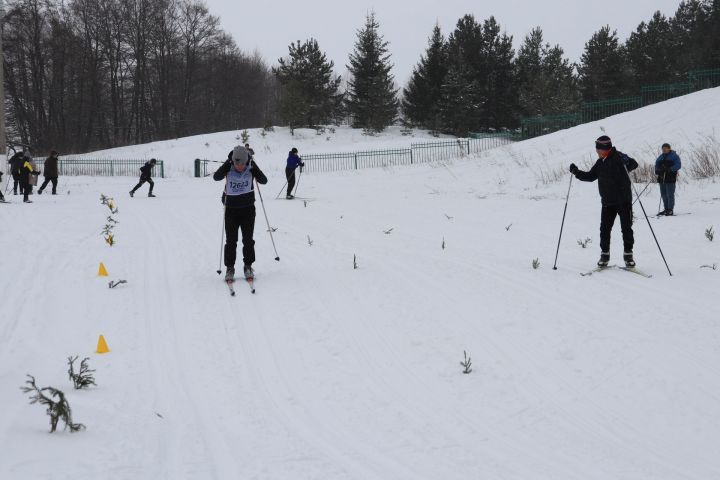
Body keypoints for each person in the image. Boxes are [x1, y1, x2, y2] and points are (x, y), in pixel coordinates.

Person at [569, 135, 639, 267]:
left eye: (598, 149)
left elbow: (634, 164)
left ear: (605, 149)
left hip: (624, 200)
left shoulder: (619, 158)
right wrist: (576, 172)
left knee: (626, 228)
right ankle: (604, 255)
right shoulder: (600, 163)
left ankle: (628, 256)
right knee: (605, 229)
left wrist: (627, 160)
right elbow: (590, 176)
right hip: (608, 202)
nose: (597, 152)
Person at [213, 145, 268, 281]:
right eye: (237, 164)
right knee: (231, 241)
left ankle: (248, 266)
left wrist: (253, 165)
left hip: (248, 210)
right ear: (233, 161)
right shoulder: (229, 165)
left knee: (248, 240)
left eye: (242, 164)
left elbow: (264, 180)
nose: (240, 167)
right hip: (231, 210)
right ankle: (230, 268)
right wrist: (227, 164)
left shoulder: (250, 165)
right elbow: (216, 177)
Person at [654, 143, 681, 216]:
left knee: (670, 194)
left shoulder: (674, 156)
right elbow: (656, 165)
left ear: (669, 148)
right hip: (662, 178)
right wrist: (657, 170)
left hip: (670, 177)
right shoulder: (660, 157)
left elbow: (678, 165)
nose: (664, 150)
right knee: (663, 194)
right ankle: (666, 209)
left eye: (666, 148)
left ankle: (670, 209)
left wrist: (670, 169)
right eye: (663, 149)